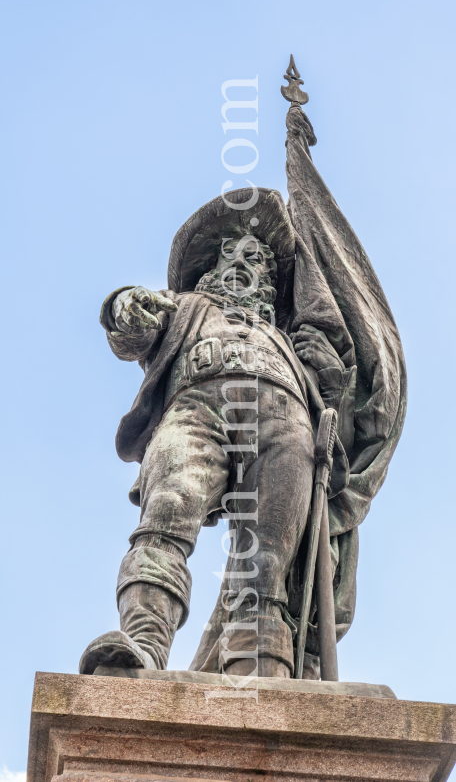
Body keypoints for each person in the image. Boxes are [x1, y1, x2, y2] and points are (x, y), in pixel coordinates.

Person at [79, 107, 406, 679]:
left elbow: (336, 359)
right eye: (236, 256)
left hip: (286, 425)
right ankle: (144, 642)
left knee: (269, 561)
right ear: (210, 271)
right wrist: (122, 303)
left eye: (259, 260)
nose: (249, 264)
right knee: (168, 513)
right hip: (196, 409)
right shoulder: (185, 309)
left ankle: (266, 671)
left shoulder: (290, 337)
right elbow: (129, 325)